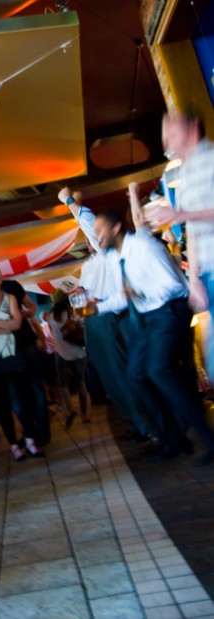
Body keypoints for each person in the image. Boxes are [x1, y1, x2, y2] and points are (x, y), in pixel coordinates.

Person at [95, 194, 214, 463]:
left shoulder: (145, 246)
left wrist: (137, 291)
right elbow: (122, 295)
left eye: (99, 230)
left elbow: (173, 285)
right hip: (148, 317)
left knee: (158, 370)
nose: (97, 237)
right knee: (136, 376)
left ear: (115, 229)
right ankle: (174, 441)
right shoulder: (114, 258)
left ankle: (207, 439)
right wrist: (97, 307)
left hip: (170, 311)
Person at [58, 186, 150, 440]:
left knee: (122, 375)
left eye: (98, 232)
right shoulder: (91, 264)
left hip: (110, 321)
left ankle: (145, 425)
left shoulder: (111, 253)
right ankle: (134, 423)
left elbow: (89, 224)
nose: (93, 236)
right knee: (111, 379)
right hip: (93, 324)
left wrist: (70, 202)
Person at [146, 109, 214, 382]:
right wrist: (194, 279)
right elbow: (194, 233)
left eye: (171, 132)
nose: (167, 142)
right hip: (208, 270)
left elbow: (189, 219)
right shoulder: (184, 177)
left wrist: (180, 215)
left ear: (193, 128)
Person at [0, 263, 42, 461]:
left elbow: (18, 323)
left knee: (25, 396)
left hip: (13, 352)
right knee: (2, 402)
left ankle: (30, 439)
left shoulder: (10, 297)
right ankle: (14, 444)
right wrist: (6, 326)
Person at [46, 293, 89, 428]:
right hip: (77, 352)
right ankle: (85, 414)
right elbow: (82, 326)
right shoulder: (71, 313)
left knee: (63, 384)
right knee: (81, 383)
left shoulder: (50, 316)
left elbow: (53, 335)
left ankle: (70, 410)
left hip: (60, 353)